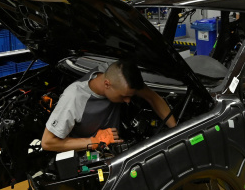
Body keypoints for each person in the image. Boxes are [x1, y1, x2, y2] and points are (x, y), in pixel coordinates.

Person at [41, 60, 176, 152]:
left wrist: (176, 131)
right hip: (91, 153)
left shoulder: (119, 75)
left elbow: (152, 97)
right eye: (123, 96)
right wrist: (95, 141)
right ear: (107, 84)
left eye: (130, 95)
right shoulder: (74, 97)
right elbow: (47, 142)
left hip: (119, 142)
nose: (128, 100)